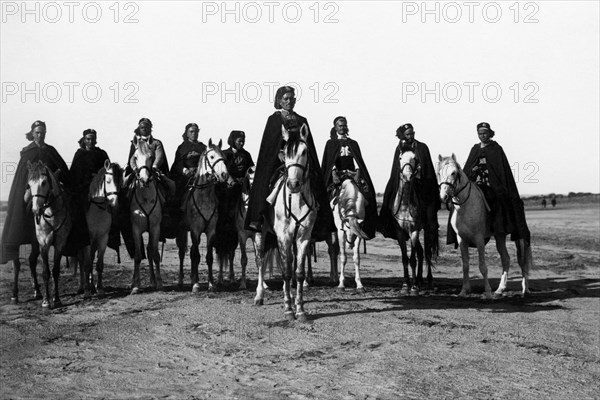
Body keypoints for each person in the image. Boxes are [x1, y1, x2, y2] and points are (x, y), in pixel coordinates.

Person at [245, 86, 335, 240]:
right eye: (285, 98)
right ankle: (259, 217)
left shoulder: (302, 120)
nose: (289, 101)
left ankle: (320, 224)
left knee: (315, 182)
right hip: (278, 163)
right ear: (279, 101)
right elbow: (269, 146)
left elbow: (308, 144)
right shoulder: (274, 119)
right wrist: (277, 154)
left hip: (298, 160)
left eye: (292, 98)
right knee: (265, 181)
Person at [448, 122, 531, 245]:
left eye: (485, 133)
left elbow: (501, 171)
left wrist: (486, 171)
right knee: (457, 203)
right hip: (475, 184)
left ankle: (497, 227)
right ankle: (458, 232)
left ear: (490, 133)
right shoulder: (475, 149)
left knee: (498, 201)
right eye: (480, 134)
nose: (483, 136)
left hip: (492, 185)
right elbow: (467, 170)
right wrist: (473, 171)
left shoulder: (496, 149)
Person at [1, 120, 71, 265]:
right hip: (32, 189)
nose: (40, 135)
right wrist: (28, 186)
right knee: (24, 205)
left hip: (50, 188)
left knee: (66, 202)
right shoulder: (28, 152)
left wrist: (59, 177)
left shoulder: (50, 150)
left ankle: (68, 237)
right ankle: (25, 232)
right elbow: (22, 175)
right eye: (37, 132)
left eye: (43, 133)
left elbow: (61, 168)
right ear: (33, 134)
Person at [379, 123, 440, 245]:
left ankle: (430, 225)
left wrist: (419, 172)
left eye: (412, 133)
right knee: (389, 194)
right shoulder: (399, 148)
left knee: (429, 204)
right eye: (408, 134)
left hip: (420, 182)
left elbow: (427, 167)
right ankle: (386, 224)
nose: (410, 136)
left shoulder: (422, 147)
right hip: (402, 180)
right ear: (403, 135)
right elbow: (396, 168)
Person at [321, 116, 377, 239]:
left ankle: (367, 226)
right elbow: (330, 162)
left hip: (352, 174)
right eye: (340, 125)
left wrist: (357, 172)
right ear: (335, 127)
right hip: (337, 175)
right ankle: (324, 225)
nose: (342, 128)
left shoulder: (353, 143)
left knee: (368, 194)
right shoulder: (330, 143)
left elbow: (357, 160)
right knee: (323, 196)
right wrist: (334, 173)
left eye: (344, 125)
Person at [68, 129, 113, 255]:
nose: (90, 141)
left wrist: (99, 177)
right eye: (88, 139)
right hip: (83, 188)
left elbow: (108, 169)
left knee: (113, 204)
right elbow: (74, 173)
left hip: (100, 187)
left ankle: (112, 234)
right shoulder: (79, 154)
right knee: (76, 208)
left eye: (92, 139)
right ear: (84, 140)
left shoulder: (101, 153)